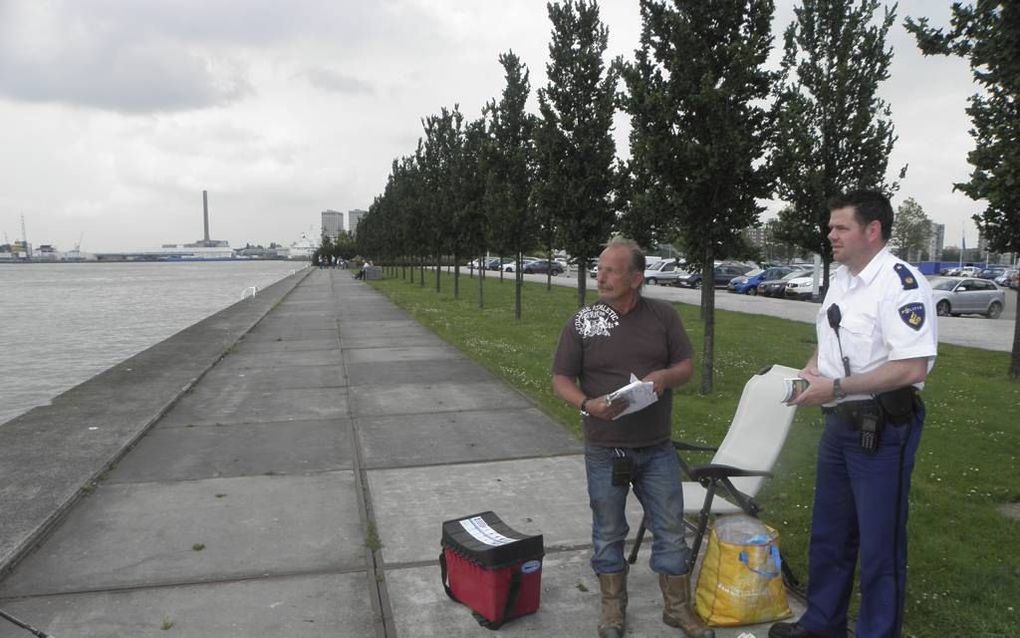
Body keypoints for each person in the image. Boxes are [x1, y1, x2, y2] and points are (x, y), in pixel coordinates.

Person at [770, 190, 937, 638]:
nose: (831, 235)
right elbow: (832, 341)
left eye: (841, 227)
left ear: (873, 230)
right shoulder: (842, 279)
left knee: (880, 546)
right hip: (839, 426)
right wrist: (810, 373)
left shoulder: (900, 283)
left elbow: (911, 366)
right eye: (831, 227)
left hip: (883, 431)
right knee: (830, 534)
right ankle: (823, 624)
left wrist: (837, 386)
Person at [552, 238, 712, 638]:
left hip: (656, 447)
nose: (600, 276)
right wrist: (589, 404)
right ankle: (612, 611)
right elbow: (560, 379)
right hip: (605, 449)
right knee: (608, 532)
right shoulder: (584, 321)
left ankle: (677, 609)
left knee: (671, 530)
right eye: (599, 268)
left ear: (636, 278)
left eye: (611, 270)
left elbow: (686, 366)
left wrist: (664, 377)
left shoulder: (663, 316)